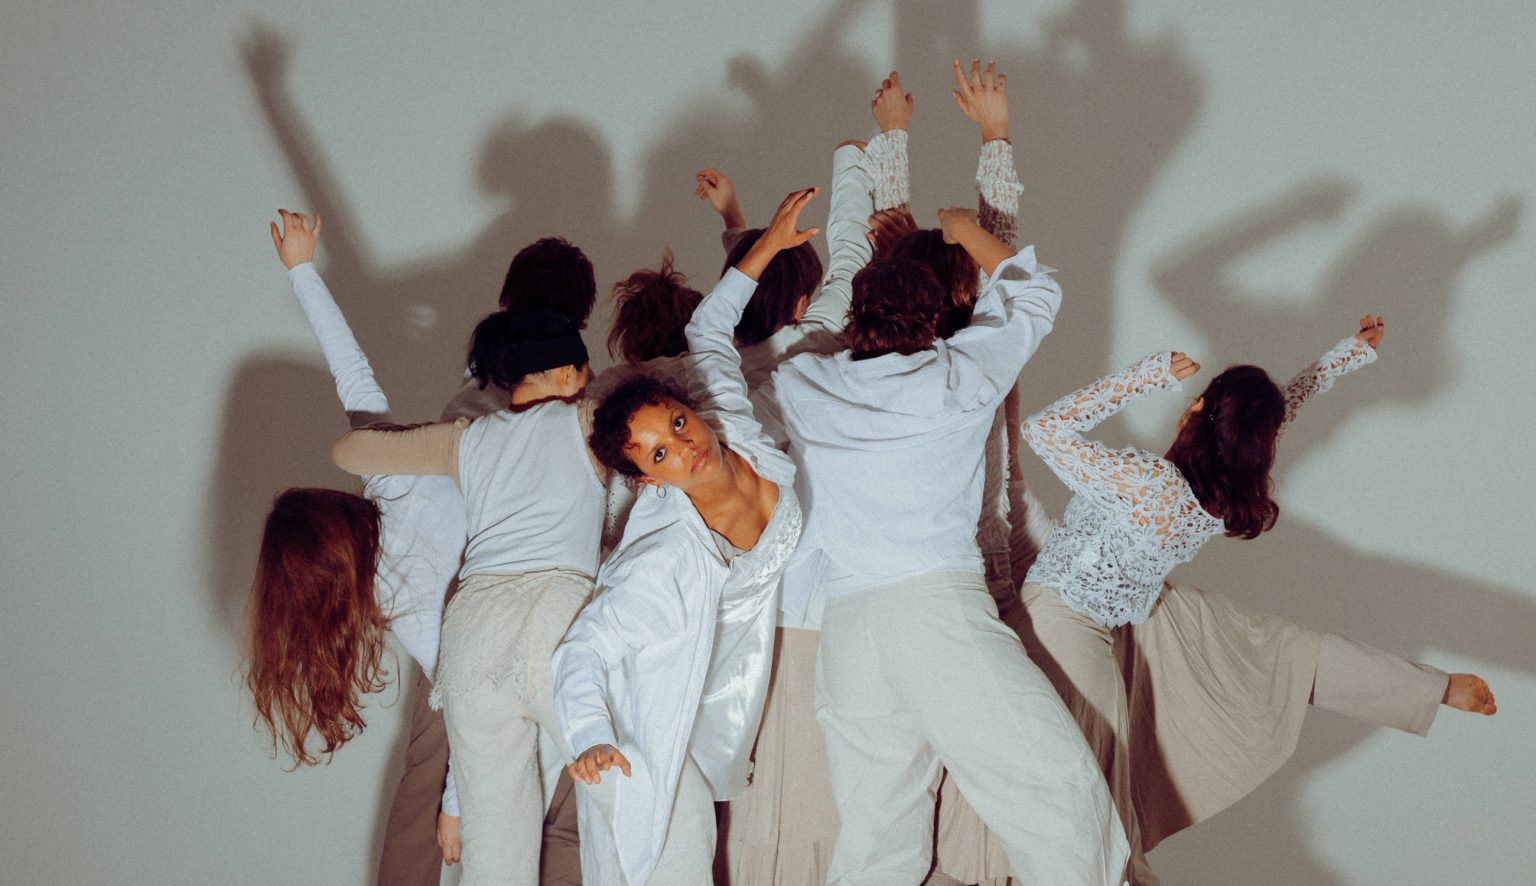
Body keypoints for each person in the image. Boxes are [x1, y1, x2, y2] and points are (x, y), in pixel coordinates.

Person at [1016, 317, 1498, 885]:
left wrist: (1145, 376)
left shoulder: (1147, 482)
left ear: (1198, 408)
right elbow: (1282, 413)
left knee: (1085, 795)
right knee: (1284, 651)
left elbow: (1042, 430)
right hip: (1128, 620)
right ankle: (1434, 688)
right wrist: (1343, 357)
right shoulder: (1217, 500)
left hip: (1068, 619)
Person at [773, 203, 1129, 884]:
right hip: (933, 608)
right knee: (1054, 782)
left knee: (877, 829)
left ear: (856, 317)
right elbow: (1036, 293)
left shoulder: (804, 382)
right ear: (935, 318)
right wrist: (964, 231)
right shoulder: (959, 377)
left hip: (848, 627)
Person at [552, 190, 816, 885]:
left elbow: (710, 328)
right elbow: (583, 648)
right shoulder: (664, 553)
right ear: (647, 479)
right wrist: (592, 737)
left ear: (688, 407)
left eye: (676, 424)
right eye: (660, 454)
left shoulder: (733, 421)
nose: (685, 447)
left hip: (729, 687)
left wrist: (762, 241)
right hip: (656, 709)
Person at [330, 301, 607, 884]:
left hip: (471, 637)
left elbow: (348, 451)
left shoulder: (468, 439)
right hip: (551, 620)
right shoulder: (588, 421)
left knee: (496, 858)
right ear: (566, 373)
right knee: (628, 798)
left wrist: (423, 443)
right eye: (585, 373)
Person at [248, 210, 469, 873]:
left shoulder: (399, 601)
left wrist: (453, 808)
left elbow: (470, 695)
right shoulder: (386, 473)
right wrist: (300, 268)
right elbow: (353, 372)